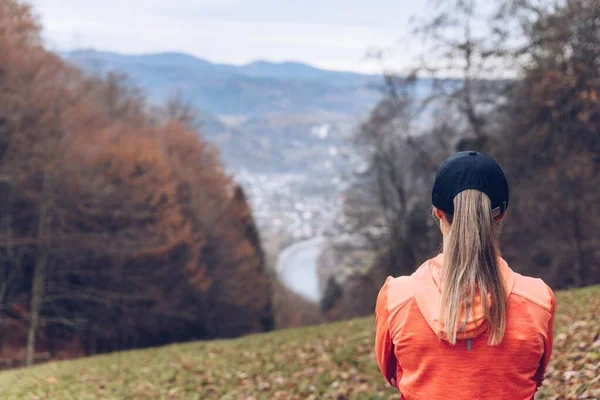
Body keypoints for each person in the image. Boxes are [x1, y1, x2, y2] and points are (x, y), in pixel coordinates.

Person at [375, 151, 555, 400]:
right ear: (500, 214)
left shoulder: (396, 299)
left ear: (438, 212)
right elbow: (536, 377)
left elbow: (394, 375)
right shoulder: (538, 299)